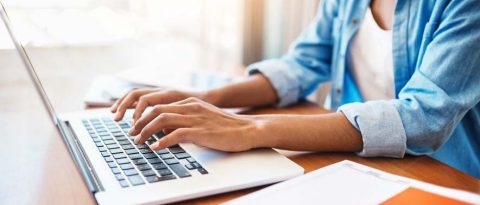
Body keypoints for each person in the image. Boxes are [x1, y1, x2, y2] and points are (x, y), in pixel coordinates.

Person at [111, 0, 480, 178]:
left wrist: (247, 128)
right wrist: (207, 101)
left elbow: (423, 117)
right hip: (348, 160)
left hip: (441, 174)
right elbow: (301, 65)